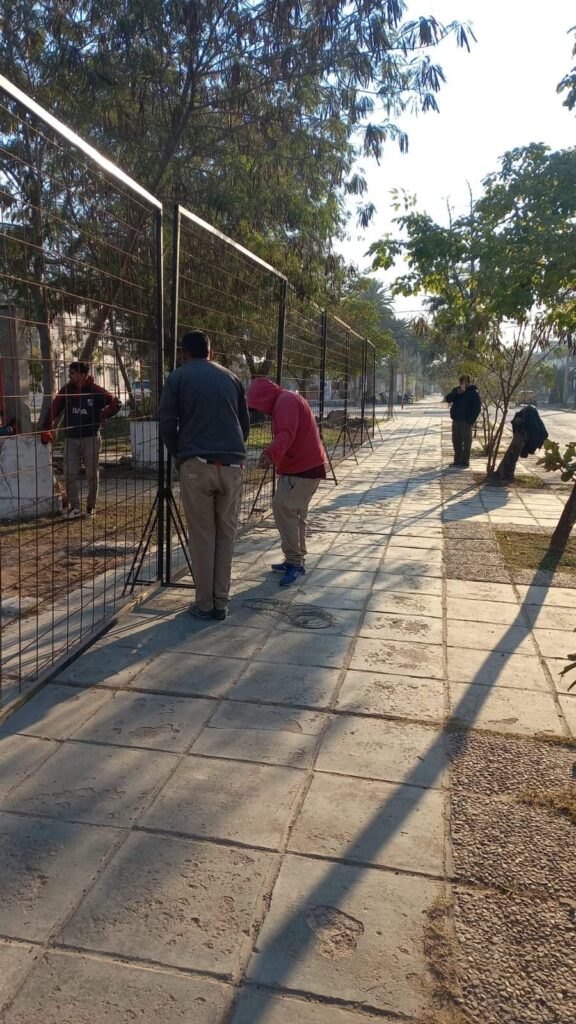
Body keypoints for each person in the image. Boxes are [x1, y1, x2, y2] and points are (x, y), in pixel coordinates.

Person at [158, 330, 250, 622]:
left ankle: (204, 604)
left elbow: (166, 422)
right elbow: (244, 424)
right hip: (233, 465)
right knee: (226, 535)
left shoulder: (178, 377)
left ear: (184, 353)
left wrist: (179, 454)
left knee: (202, 537)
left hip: (196, 463)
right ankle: (221, 602)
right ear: (211, 352)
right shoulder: (232, 378)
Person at [247, 378, 326, 587]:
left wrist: (270, 454)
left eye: (256, 404)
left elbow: (286, 432)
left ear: (263, 397)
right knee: (295, 513)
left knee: (283, 507)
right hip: (306, 465)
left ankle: (294, 562)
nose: (259, 411)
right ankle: (296, 558)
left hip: (302, 467)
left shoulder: (285, 402)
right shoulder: (287, 398)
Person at [40, 361, 121, 518]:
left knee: (92, 474)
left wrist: (103, 416)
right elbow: (55, 407)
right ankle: (74, 507)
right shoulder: (67, 390)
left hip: (91, 438)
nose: (69, 375)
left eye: (72, 373)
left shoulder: (95, 391)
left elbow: (116, 403)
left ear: (83, 375)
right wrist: (46, 427)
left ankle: (90, 508)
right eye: (69, 372)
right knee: (69, 473)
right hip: (71, 439)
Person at [443, 374, 481, 468]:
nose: (462, 384)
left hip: (466, 421)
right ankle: (457, 460)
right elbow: (448, 399)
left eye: (464, 382)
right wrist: (458, 392)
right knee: (456, 441)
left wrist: (471, 420)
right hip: (456, 420)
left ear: (468, 382)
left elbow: (477, 408)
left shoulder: (473, 392)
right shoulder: (457, 390)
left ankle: (465, 461)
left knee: (467, 442)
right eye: (461, 382)